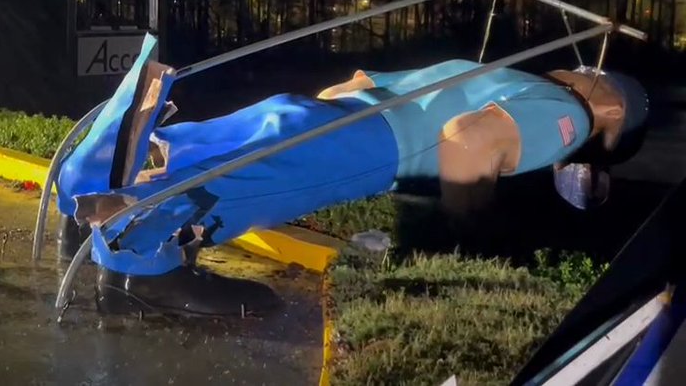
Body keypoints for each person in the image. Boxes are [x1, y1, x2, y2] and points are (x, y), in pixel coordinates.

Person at [54, 35, 649, 317]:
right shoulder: (569, 113)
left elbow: (357, 80)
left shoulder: (510, 75)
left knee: (202, 147)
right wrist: (464, 238)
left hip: (332, 111)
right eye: (604, 143)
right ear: (613, 113)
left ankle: (83, 209)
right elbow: (468, 142)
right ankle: (143, 275)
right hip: (373, 143)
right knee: (240, 183)